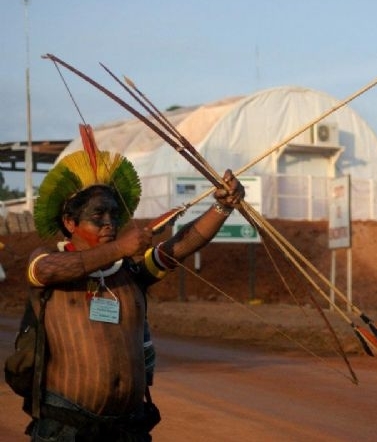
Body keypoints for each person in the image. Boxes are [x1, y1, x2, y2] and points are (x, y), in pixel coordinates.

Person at [24, 136, 244, 441]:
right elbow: (44, 271)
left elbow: (180, 246)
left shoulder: (128, 271)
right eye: (98, 215)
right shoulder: (49, 261)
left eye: (114, 214)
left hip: (128, 426)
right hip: (66, 427)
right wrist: (120, 248)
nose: (109, 223)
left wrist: (223, 206)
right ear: (70, 222)